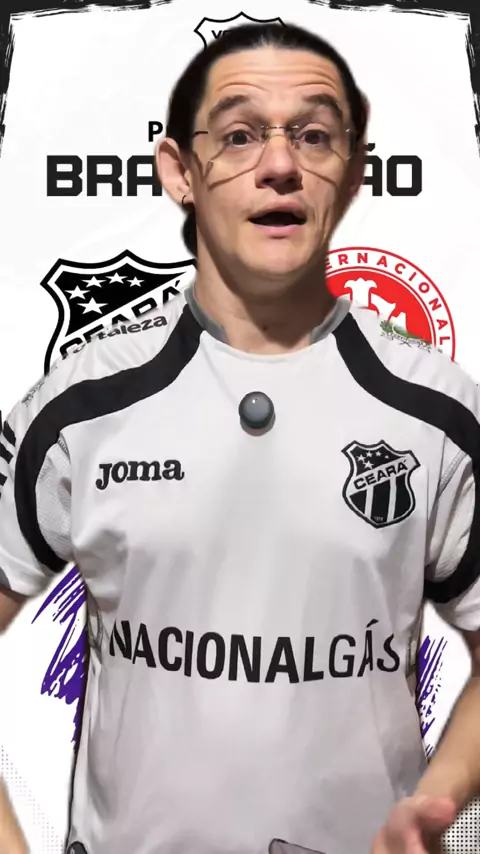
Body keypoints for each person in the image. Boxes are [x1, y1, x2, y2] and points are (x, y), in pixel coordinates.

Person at [0, 19, 479, 854]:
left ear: (354, 172)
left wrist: (436, 798)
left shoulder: (435, 411)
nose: (281, 164)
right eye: (240, 135)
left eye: (315, 135)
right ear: (179, 173)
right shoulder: (79, 407)